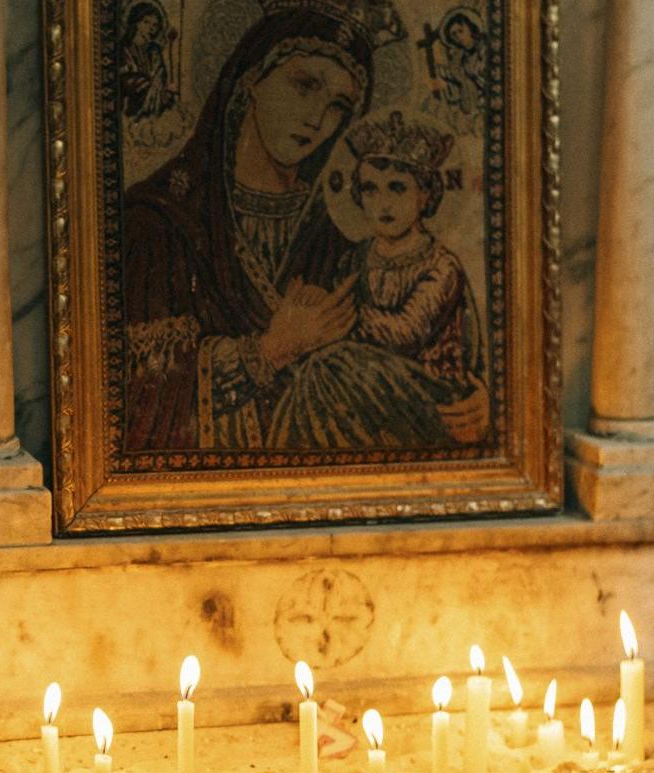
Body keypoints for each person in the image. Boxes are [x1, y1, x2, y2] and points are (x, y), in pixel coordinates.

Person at [119, 0, 402, 454]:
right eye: (305, 85)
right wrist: (270, 350)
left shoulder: (339, 232)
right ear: (251, 76)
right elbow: (138, 401)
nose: (317, 119)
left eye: (338, 106)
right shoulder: (159, 223)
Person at [266, 110, 490, 450]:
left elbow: (405, 333)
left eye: (397, 188)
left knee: (325, 370)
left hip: (428, 392)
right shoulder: (354, 259)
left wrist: (333, 316)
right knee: (314, 373)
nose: (383, 203)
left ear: (424, 195)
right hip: (363, 382)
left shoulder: (441, 266)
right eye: (370, 189)